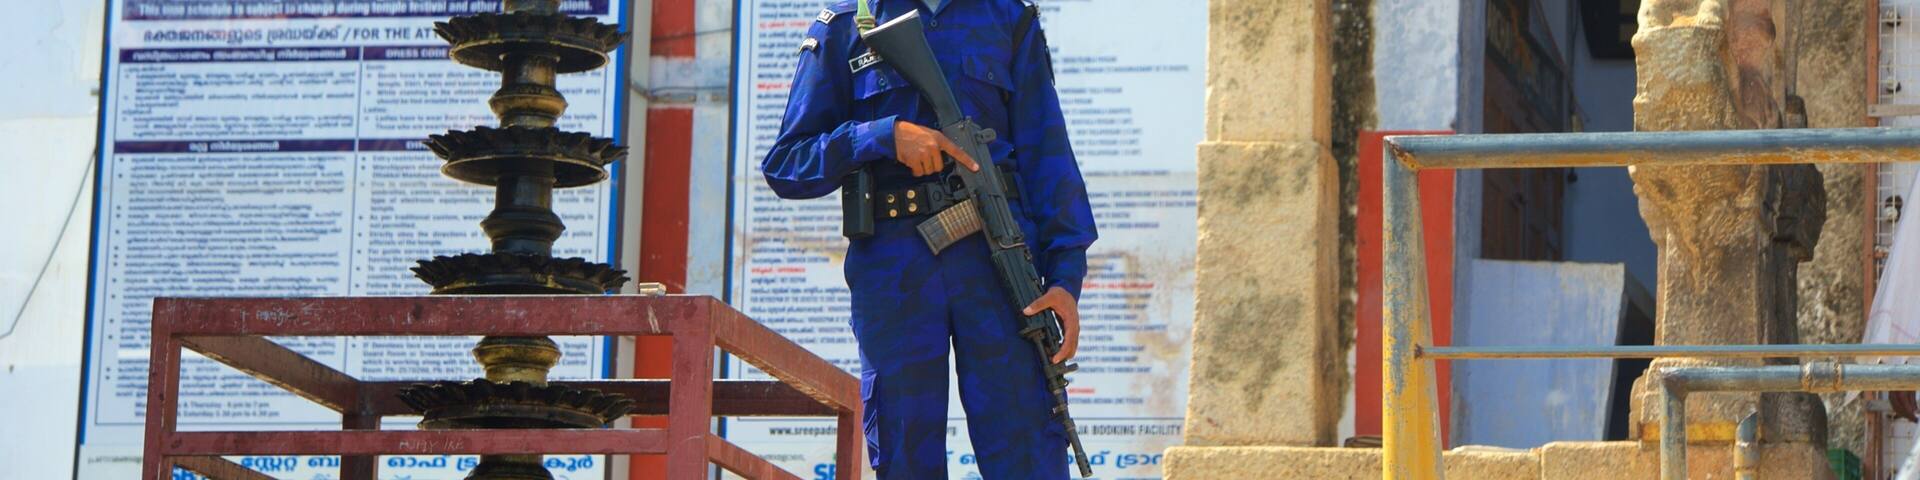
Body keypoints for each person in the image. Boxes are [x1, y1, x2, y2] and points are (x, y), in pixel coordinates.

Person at [759, 0, 1096, 478]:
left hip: (1002, 268)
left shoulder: (1006, 17)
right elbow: (786, 164)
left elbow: (1048, 154)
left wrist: (1066, 277)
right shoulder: (845, 25)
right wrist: (881, 136)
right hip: (896, 271)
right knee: (904, 455)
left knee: (1029, 451)